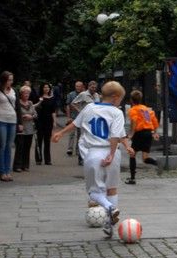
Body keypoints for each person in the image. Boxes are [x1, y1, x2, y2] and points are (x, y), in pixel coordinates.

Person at [52, 81, 134, 238]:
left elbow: (76, 124)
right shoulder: (117, 112)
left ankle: (109, 207)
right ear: (116, 97)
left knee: (94, 192)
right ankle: (109, 225)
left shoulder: (89, 108)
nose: (121, 102)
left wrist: (60, 133)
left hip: (94, 153)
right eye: (121, 99)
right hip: (113, 153)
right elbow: (116, 135)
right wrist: (117, 151)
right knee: (111, 189)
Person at [125, 89, 160, 185]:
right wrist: (155, 132)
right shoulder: (146, 109)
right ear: (140, 99)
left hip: (139, 134)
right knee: (145, 158)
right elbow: (154, 121)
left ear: (131, 100)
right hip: (148, 134)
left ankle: (132, 178)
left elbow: (134, 122)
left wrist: (131, 134)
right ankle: (157, 163)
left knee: (132, 154)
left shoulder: (133, 110)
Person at [0, 70, 21, 181]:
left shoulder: (14, 91)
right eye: (9, 79)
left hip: (13, 120)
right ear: (4, 80)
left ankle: (8, 171)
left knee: (9, 147)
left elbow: (17, 107)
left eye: (12, 79)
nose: (11, 81)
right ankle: (2, 172)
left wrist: (20, 122)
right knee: (2, 146)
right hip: (1, 120)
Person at [71, 80, 100, 165]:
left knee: (93, 138)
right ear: (88, 86)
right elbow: (73, 103)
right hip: (85, 120)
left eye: (95, 87)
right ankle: (81, 158)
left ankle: (91, 157)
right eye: (92, 87)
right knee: (82, 138)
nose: (94, 89)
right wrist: (80, 111)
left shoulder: (97, 95)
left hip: (95, 120)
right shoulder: (83, 94)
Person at [13, 85, 37, 172]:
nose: (27, 94)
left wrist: (31, 116)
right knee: (20, 147)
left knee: (27, 147)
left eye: (28, 93)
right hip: (21, 128)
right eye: (25, 93)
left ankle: (25, 165)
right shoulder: (17, 103)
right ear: (21, 93)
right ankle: (17, 166)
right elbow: (15, 114)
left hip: (30, 128)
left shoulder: (30, 103)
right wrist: (23, 116)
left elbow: (35, 114)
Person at [34, 83, 57, 165]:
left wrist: (54, 121)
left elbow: (53, 111)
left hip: (49, 121)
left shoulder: (52, 98)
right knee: (39, 140)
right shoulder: (38, 97)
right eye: (44, 87)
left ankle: (48, 160)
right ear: (42, 88)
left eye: (47, 87)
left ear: (49, 88)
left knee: (47, 141)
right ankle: (38, 159)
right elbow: (34, 108)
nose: (46, 88)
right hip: (39, 120)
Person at [65, 80, 85, 156]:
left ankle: (78, 150)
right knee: (72, 133)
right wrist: (68, 117)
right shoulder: (71, 94)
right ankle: (70, 149)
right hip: (73, 117)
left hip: (82, 118)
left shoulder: (85, 95)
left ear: (82, 86)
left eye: (79, 86)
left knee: (80, 135)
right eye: (77, 86)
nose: (78, 87)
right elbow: (68, 106)